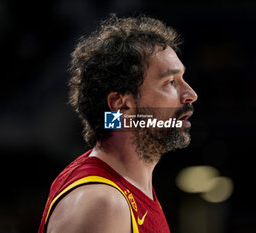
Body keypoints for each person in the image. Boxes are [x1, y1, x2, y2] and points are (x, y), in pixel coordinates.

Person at [38, 14, 198, 233]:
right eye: (170, 82)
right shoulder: (102, 203)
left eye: (182, 79)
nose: (191, 94)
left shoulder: (128, 190)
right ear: (120, 105)